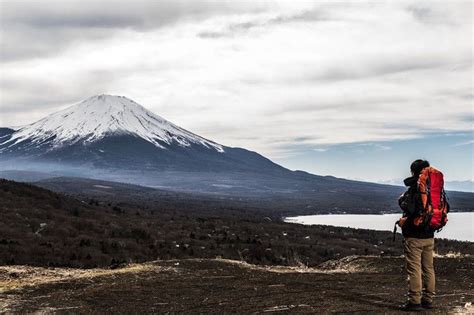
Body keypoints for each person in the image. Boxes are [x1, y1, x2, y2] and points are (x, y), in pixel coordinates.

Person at [398, 159, 435, 312]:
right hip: (429, 234)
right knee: (428, 268)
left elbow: (412, 209)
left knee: (414, 269)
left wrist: (402, 201)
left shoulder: (416, 187)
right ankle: (428, 299)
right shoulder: (433, 187)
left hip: (414, 235)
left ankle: (414, 301)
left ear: (414, 171)